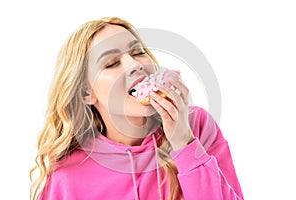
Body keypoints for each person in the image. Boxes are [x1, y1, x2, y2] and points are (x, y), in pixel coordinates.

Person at [30, 17, 244, 200]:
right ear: (87, 92)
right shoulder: (66, 176)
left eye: (138, 52)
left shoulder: (197, 125)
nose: (135, 65)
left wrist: (184, 143)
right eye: (112, 63)